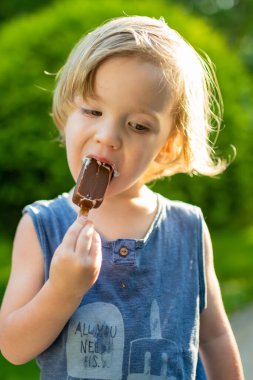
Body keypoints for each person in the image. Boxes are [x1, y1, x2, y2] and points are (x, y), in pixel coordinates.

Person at [0, 15, 244, 379]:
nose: (108, 136)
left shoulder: (188, 229)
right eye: (93, 111)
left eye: (139, 125)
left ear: (168, 144)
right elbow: (13, 347)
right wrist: (62, 290)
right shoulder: (41, 226)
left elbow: (215, 337)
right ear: (67, 114)